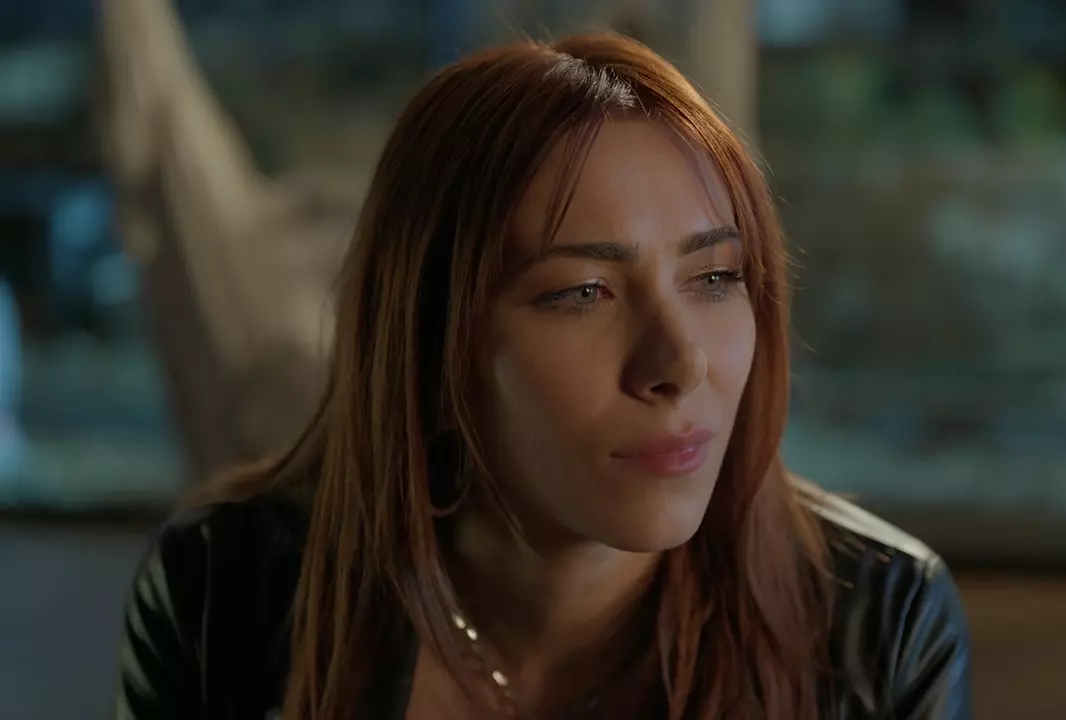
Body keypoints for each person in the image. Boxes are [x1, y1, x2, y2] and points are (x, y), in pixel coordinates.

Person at [114, 34, 971, 720]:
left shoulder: (883, 625)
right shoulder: (222, 594)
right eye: (582, 293)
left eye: (714, 278)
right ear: (433, 342)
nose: (679, 364)